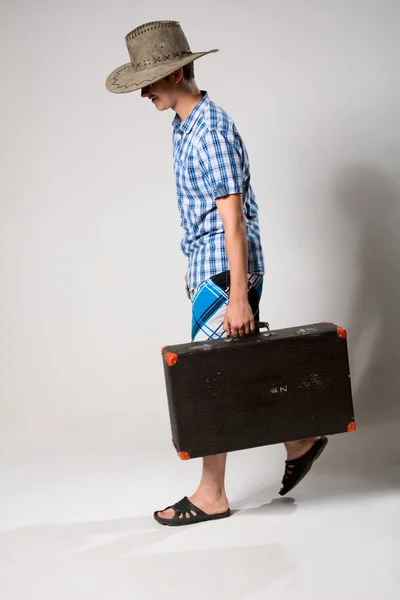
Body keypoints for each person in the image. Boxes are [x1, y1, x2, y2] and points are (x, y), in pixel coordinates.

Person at [106, 20, 328, 526]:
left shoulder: (211, 129)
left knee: (211, 380)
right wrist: (199, 274)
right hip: (213, 271)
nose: (145, 92)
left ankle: (212, 495)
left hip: (228, 272)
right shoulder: (184, 127)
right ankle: (300, 438)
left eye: (154, 80)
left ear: (181, 71)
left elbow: (233, 221)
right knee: (230, 374)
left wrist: (238, 297)